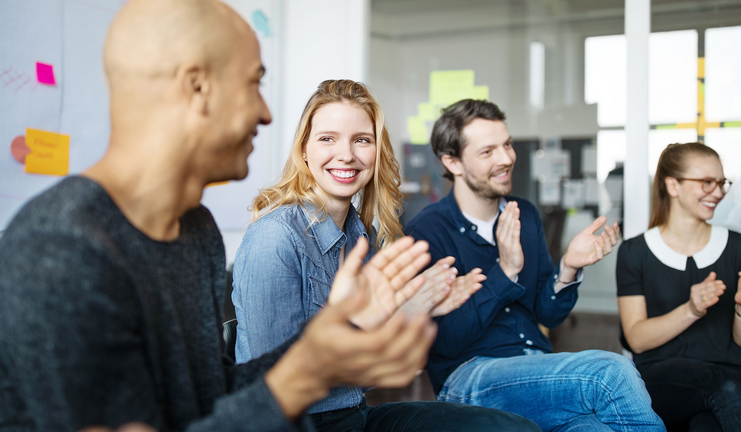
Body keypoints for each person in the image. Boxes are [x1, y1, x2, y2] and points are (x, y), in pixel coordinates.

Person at [0, 1, 450, 431]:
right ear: (197, 87)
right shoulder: (60, 253)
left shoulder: (194, 231)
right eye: (254, 83)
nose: (266, 114)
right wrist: (309, 368)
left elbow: (206, 398)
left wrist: (325, 348)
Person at [232, 80, 540, 432]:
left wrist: (411, 311)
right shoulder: (275, 238)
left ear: (377, 151)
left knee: (514, 429)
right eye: (327, 138)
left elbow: (365, 381)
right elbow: (272, 387)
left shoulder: (362, 234)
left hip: (356, 415)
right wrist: (393, 318)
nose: (346, 154)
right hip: (301, 426)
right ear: (304, 149)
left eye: (361, 140)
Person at [404, 99, 666, 431]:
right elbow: (444, 343)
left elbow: (547, 314)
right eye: (488, 152)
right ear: (452, 162)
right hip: (468, 378)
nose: (507, 158)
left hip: (537, 365)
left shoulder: (524, 213)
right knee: (609, 373)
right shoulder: (427, 233)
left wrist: (568, 268)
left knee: (595, 428)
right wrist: (506, 272)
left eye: (508, 144)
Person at [617, 142, 741, 430]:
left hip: (730, 376)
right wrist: (691, 310)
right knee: (726, 389)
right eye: (707, 182)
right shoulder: (636, 252)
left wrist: (739, 309)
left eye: (722, 183)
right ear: (673, 186)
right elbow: (636, 338)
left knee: (706, 424)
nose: (719, 192)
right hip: (663, 379)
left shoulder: (737, 247)